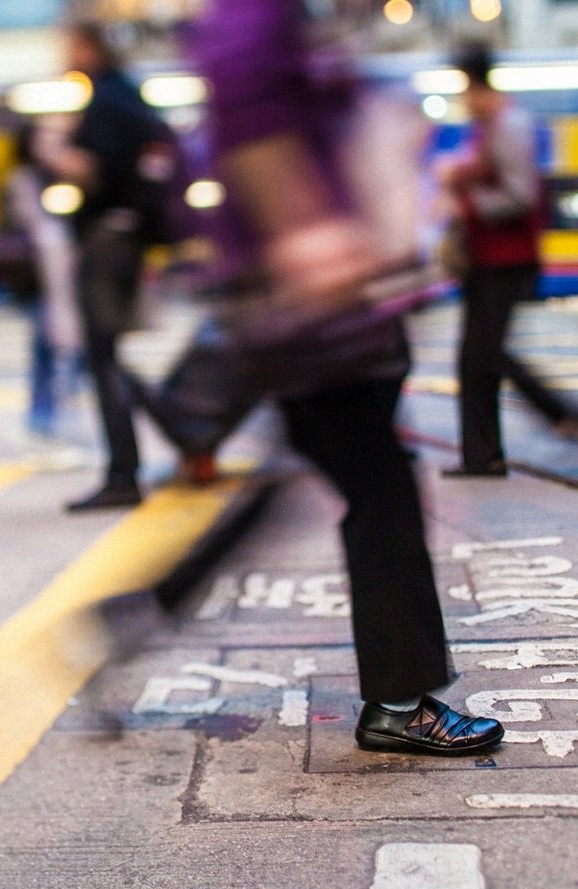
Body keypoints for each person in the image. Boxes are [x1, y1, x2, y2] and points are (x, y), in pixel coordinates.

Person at [182, 0, 504, 756]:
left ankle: (146, 608)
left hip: (331, 298)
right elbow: (250, 107)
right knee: (381, 490)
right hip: (312, 301)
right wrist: (308, 230)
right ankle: (398, 703)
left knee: (347, 476)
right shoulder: (253, 14)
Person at [438, 42, 578, 478]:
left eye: (463, 89)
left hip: (506, 257)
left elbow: (520, 196)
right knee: (478, 355)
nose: (462, 101)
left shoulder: (508, 123)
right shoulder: (488, 125)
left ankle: (551, 417)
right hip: (486, 258)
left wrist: (463, 195)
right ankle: (484, 454)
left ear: (475, 83)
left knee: (483, 353)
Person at [39, 21, 166, 512]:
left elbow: (94, 169)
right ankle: (176, 427)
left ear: (86, 46)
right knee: (106, 354)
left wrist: (53, 152)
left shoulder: (107, 101)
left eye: (67, 44)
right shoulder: (127, 95)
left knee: (102, 353)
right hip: (127, 236)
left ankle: (124, 472)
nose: (63, 54)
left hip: (108, 241)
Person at [7, 123, 87, 469]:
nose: (54, 147)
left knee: (66, 353)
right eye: (45, 140)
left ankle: (50, 425)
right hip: (42, 281)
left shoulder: (61, 180)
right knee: (48, 354)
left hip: (64, 281)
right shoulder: (27, 180)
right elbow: (35, 228)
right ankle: (43, 427)